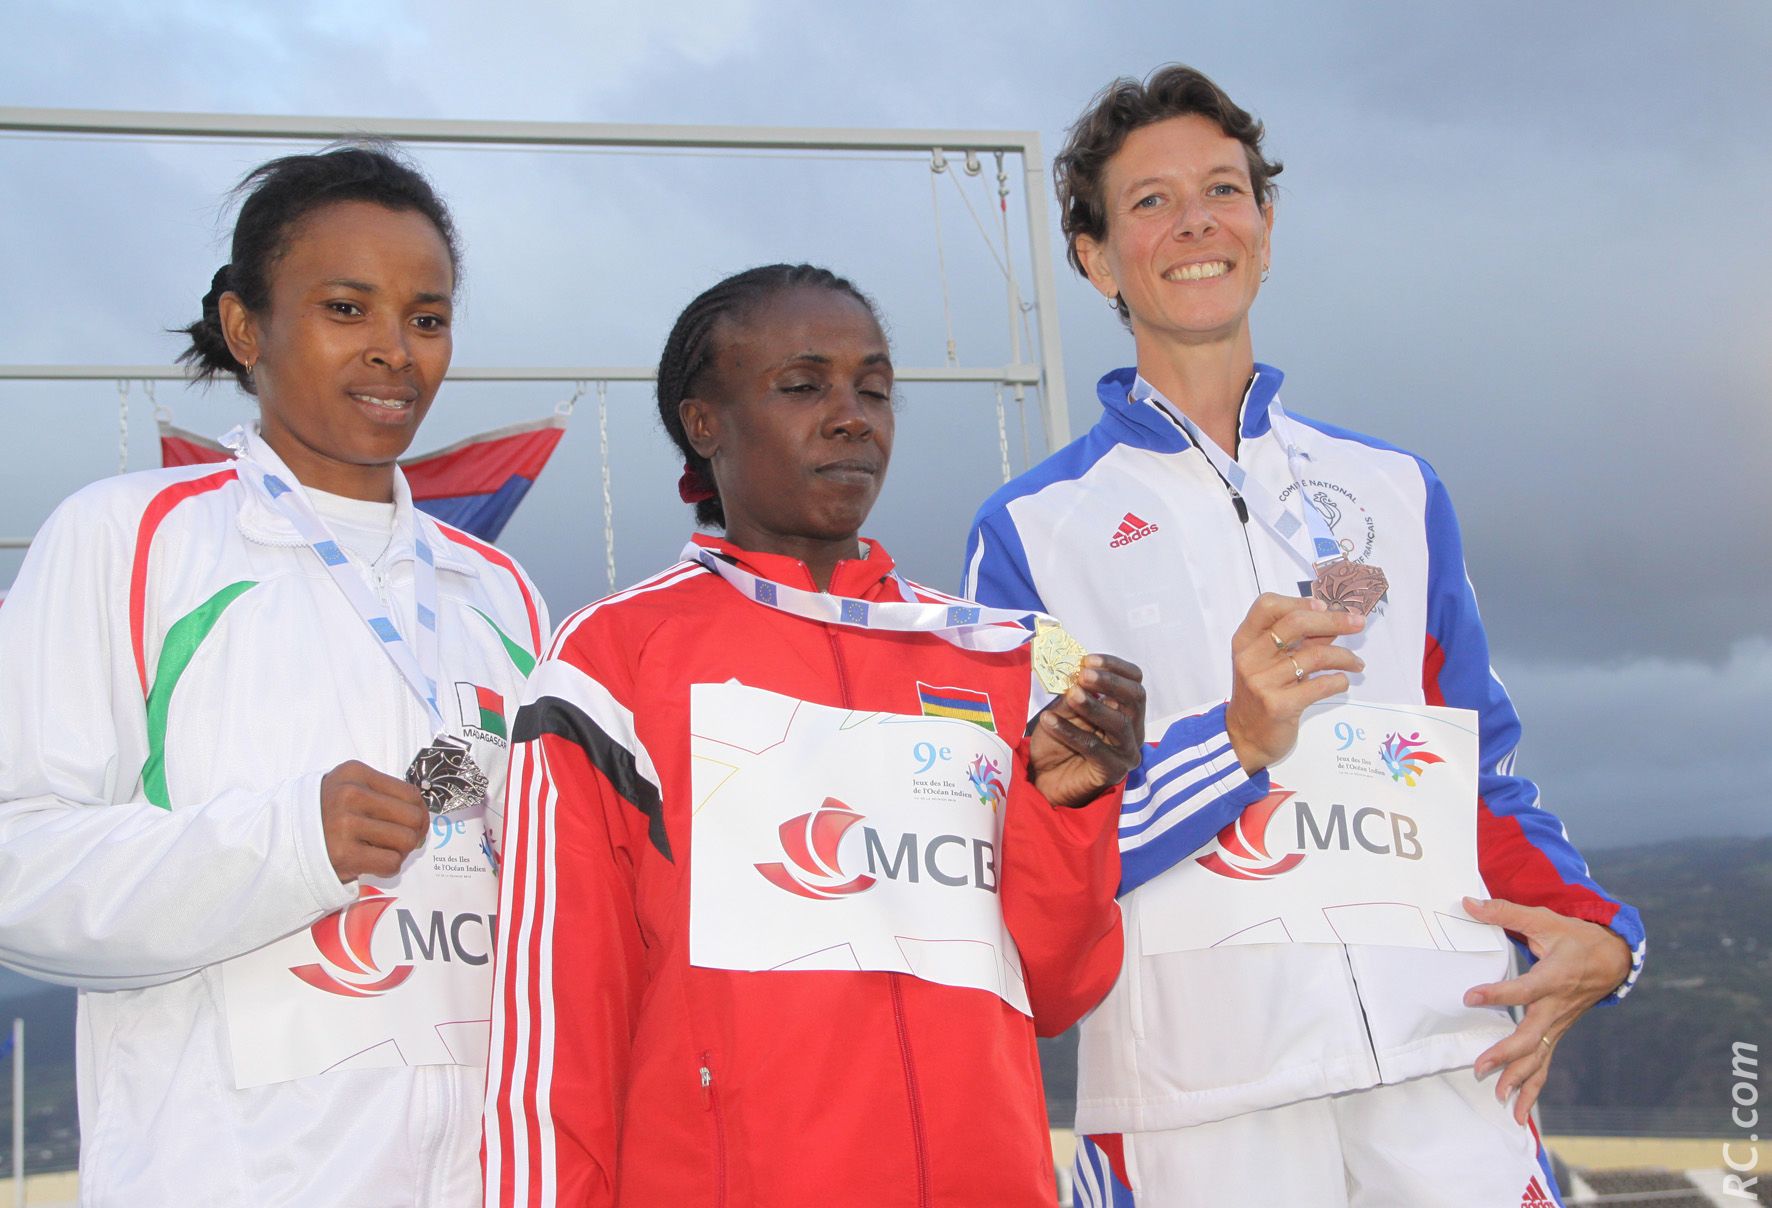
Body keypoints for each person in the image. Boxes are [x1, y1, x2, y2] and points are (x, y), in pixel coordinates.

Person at [963, 66, 1645, 1207]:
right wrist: (1230, 739)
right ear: (1091, 257)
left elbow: (1472, 762)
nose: (1194, 223)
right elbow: (1033, 840)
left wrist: (1596, 933)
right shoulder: (1031, 529)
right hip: (1199, 1092)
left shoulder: (1393, 486)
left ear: (1265, 229)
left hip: (1445, 1056)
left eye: (1222, 190)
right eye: (1147, 202)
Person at [483, 263, 1142, 1207]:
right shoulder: (613, 660)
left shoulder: (991, 657)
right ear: (703, 421)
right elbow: (558, 1028)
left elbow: (1057, 985)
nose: (852, 416)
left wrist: (1069, 806)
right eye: (803, 386)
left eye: (873, 389)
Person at [0, 145, 546, 1204]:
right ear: (245, 325)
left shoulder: (502, 592)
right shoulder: (129, 540)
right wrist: (289, 840)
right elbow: (15, 863)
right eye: (348, 308)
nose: (396, 351)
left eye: (426, 318)